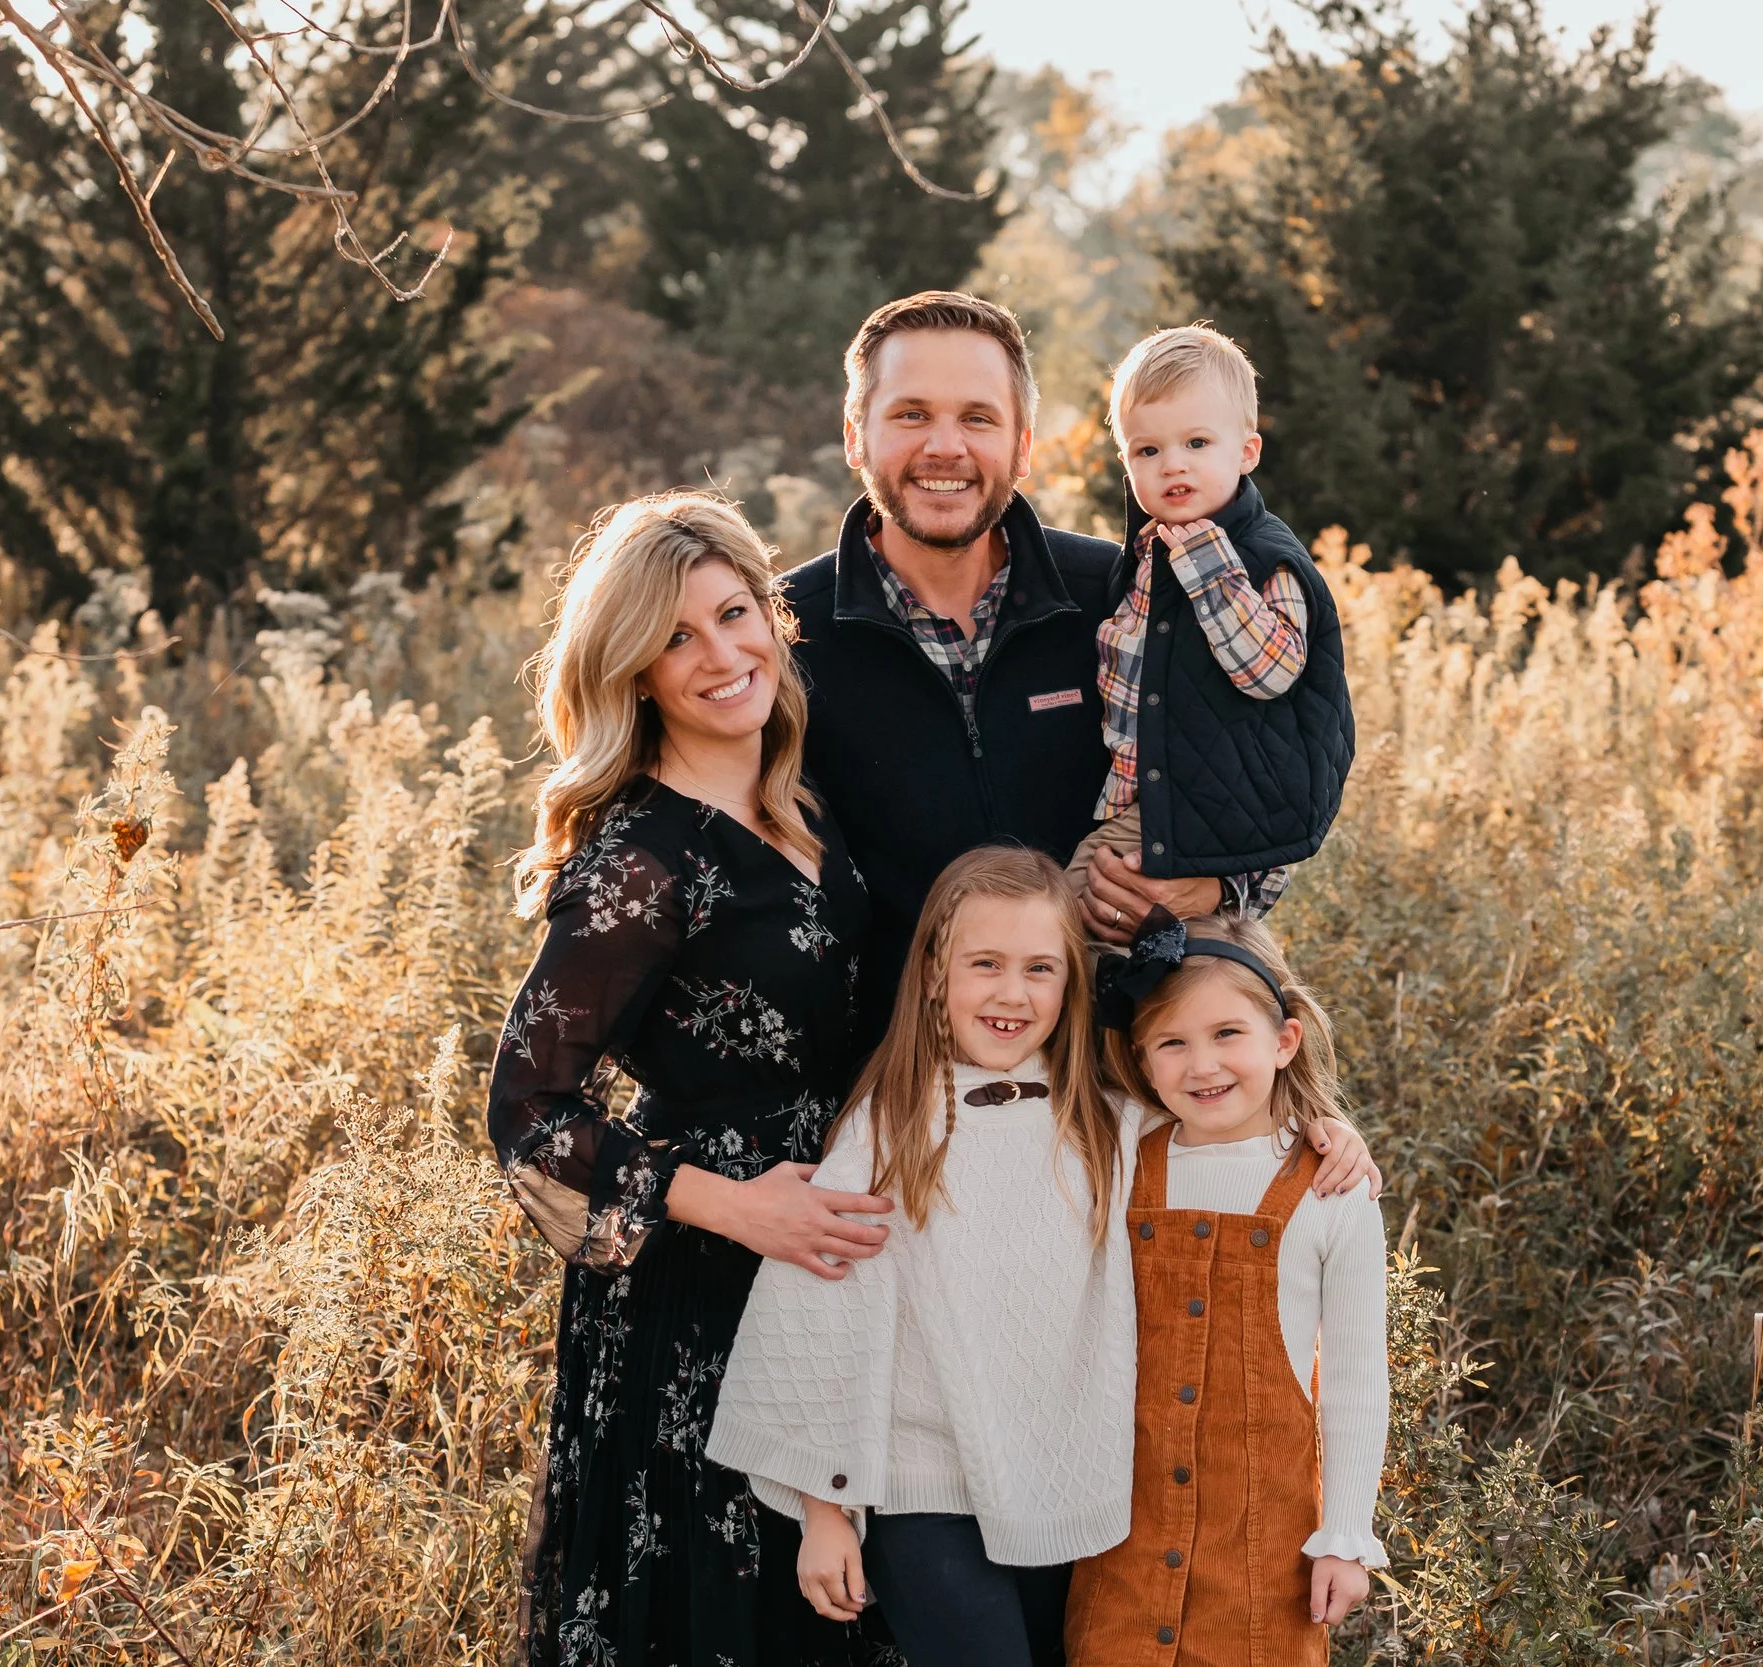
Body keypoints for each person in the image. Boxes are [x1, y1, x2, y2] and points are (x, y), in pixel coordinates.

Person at [705, 850, 1380, 1667]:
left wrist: (1325, 1129)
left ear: (1071, 988)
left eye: (1040, 969)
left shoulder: (1108, 1123)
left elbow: (1228, 1135)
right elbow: (819, 1310)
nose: (1012, 992)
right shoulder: (888, 1130)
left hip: (1069, 1489)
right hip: (923, 1485)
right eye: (985, 964)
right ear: (931, 974)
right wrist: (824, 1510)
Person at [485, 492, 892, 1666]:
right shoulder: (640, 855)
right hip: (701, 1280)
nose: (723, 654)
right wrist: (734, 1205)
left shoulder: (799, 802)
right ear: (636, 673)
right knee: (723, 1607)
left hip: (828, 1243)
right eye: (678, 637)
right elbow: (524, 1109)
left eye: (735, 612)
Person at [783, 293, 1294, 1059]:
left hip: (1119, 1079)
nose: (945, 447)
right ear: (856, 437)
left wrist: (1217, 886)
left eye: (979, 419)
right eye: (912, 414)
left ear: (1024, 447)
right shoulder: (783, 633)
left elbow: (1263, 762)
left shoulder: (1123, 591)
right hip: (898, 1096)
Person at [1066, 914, 1390, 1665]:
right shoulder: (1119, 1159)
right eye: (1172, 1042)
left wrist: (1345, 1535)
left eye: (1227, 1034)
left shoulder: (1333, 1192)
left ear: (1284, 1040)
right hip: (1123, 1553)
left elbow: (1354, 1379)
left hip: (1261, 1562)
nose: (1202, 1064)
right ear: (1143, 1063)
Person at [1064, 325, 1355, 903]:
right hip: (1147, 799)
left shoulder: (1262, 559)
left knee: (1067, 916)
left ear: (1246, 452)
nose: (1173, 465)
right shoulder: (1150, 554)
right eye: (1149, 450)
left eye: (1196, 443)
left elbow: (1270, 672)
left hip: (1202, 813)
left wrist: (1206, 563)